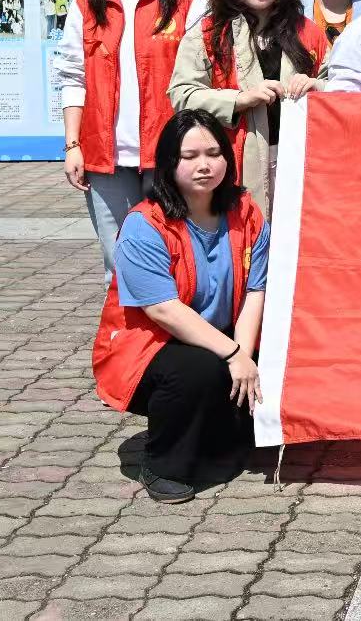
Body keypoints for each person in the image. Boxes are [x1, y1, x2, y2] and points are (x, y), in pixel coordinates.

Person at [92, 109, 270, 504]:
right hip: (152, 349)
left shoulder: (246, 211)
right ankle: (162, 464)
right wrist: (234, 355)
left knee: (273, 360)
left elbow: (255, 290)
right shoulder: (144, 224)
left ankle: (223, 431)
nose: (204, 165)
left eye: (213, 153)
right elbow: (163, 310)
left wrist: (245, 356)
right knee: (200, 369)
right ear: (169, 163)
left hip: (223, 336)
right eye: (189, 156)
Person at [54, 0, 205, 284]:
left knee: (176, 259)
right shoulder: (88, 0)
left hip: (171, 154)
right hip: (106, 159)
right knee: (119, 264)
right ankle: (123, 326)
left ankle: (174, 326)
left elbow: (202, 78)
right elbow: (73, 76)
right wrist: (73, 145)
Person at [169, 0, 328, 216]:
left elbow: (338, 85)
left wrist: (316, 86)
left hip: (298, 160)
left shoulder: (307, 31)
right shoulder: (208, 34)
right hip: (235, 161)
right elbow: (182, 95)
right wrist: (239, 99)